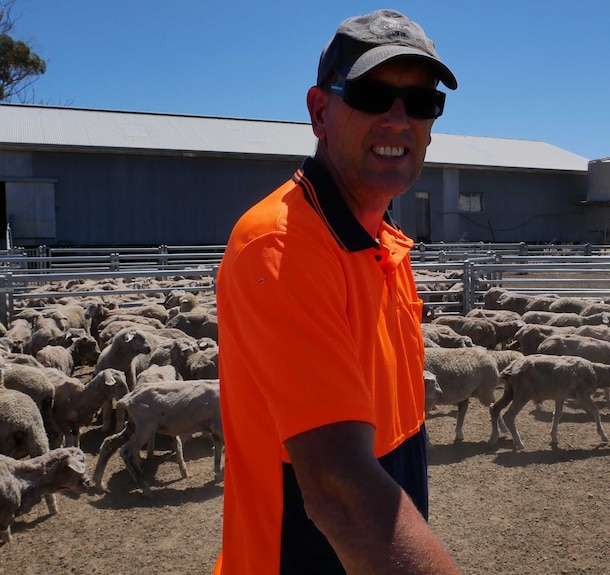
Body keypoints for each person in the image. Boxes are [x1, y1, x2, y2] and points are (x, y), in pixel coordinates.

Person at [212, 9, 461, 575]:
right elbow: (339, 492)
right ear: (320, 111)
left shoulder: (383, 247)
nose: (399, 119)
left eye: (422, 103)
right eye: (373, 94)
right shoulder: (283, 248)